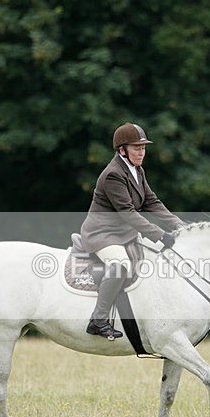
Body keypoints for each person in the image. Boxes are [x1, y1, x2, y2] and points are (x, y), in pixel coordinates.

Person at [79, 122, 184, 340]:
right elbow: (127, 212)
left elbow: (151, 202)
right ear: (121, 150)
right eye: (136, 148)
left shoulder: (137, 170)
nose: (141, 152)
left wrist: (178, 224)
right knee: (121, 265)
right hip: (102, 235)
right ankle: (98, 320)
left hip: (123, 234)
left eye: (143, 148)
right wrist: (159, 234)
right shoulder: (113, 174)